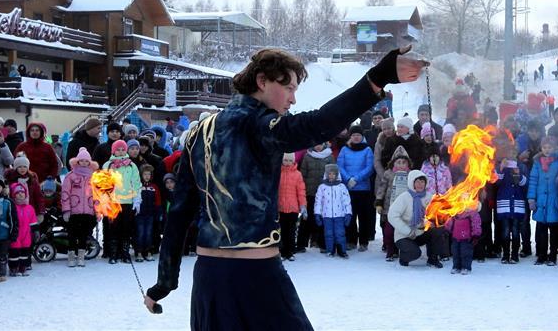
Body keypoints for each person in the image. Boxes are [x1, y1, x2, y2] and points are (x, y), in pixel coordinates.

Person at [146, 46, 425, 327]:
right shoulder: (261, 126)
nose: (293, 99)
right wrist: (377, 78)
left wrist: (164, 283)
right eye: (288, 88)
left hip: (209, 276)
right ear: (262, 81)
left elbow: (179, 214)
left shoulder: (198, 132)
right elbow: (319, 123)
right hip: (257, 275)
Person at [389, 170, 446, 268]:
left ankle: (433, 259)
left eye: (422, 181)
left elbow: (432, 214)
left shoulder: (429, 197)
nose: (420, 184)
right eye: (417, 181)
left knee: (438, 230)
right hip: (404, 235)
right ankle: (404, 257)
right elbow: (392, 215)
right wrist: (407, 231)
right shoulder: (404, 197)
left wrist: (430, 221)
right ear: (412, 183)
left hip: (420, 232)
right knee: (415, 253)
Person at [528, 136, 558, 266]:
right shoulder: (537, 163)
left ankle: (553, 255)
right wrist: (531, 198)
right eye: (545, 147)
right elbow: (533, 181)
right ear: (541, 148)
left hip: (554, 201)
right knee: (541, 231)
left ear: (554, 148)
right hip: (541, 201)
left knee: (554, 231)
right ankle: (541, 255)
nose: (547, 150)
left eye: (550, 147)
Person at [337, 125, 375, 252]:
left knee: (363, 216)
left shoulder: (367, 150)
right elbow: (340, 166)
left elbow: (369, 167)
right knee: (350, 215)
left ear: (362, 136)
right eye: (354, 135)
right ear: (350, 137)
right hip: (348, 188)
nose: (356, 137)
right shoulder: (344, 149)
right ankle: (351, 240)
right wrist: (348, 179)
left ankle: (363, 241)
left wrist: (356, 179)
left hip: (363, 188)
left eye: (358, 135)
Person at [103, 140, 141, 264]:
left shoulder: (131, 165)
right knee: (113, 228)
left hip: (127, 201)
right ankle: (113, 253)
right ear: (113, 151)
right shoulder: (108, 165)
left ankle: (125, 252)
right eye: (118, 149)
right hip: (113, 201)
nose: (120, 152)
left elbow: (136, 183)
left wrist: (137, 200)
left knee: (126, 228)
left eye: (123, 149)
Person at [61, 147, 97, 268]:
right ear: (77, 161)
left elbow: (97, 195)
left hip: (88, 211)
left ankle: (81, 255)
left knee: (83, 234)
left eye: (86, 161)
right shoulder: (70, 176)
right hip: (74, 212)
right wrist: (66, 210)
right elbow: (65, 193)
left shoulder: (93, 177)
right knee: (72, 234)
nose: (84, 163)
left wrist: (98, 211)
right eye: (82, 160)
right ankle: (71, 255)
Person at [376, 146, 412, 261]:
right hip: (389, 207)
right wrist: (379, 203)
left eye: (403, 162)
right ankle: (391, 250)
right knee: (389, 231)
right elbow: (382, 188)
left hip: (405, 209)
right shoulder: (388, 174)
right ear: (393, 163)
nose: (401, 165)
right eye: (398, 162)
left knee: (402, 230)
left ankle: (403, 249)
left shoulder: (411, 174)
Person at [298, 143, 333, 253]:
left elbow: (333, 174)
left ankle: (322, 243)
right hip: (310, 192)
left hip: (324, 193)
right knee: (306, 219)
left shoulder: (329, 156)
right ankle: (301, 244)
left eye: (320, 144)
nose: (318, 146)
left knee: (323, 218)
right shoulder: (308, 156)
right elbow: (303, 174)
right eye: (316, 144)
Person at [314, 164, 351, 258]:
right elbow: (318, 201)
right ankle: (330, 250)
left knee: (340, 233)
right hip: (327, 215)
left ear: (337, 175)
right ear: (326, 175)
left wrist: (348, 213)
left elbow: (346, 201)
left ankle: (342, 250)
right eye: (329, 174)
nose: (331, 176)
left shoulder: (341, 187)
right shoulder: (322, 187)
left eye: (333, 174)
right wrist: (317, 213)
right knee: (328, 233)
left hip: (339, 215)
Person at [495, 159, 527, 264]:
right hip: (505, 204)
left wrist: (519, 174)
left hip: (517, 204)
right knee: (505, 231)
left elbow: (525, 184)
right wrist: (501, 169)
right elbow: (496, 182)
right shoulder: (502, 167)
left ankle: (514, 255)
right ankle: (505, 255)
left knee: (516, 231)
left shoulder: (521, 167)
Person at [277, 153, 306, 261]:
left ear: (293, 161)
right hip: (280, 207)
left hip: (293, 208)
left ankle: (290, 252)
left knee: (291, 231)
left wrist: (303, 205)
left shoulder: (297, 174)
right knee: (282, 230)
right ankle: (282, 251)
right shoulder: (278, 173)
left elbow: (301, 191)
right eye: (285, 160)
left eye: (290, 161)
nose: (288, 163)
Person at [444, 196, 482, 274]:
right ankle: (456, 266)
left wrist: (476, 235)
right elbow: (450, 222)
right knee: (455, 252)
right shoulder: (455, 213)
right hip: (455, 237)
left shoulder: (473, 214)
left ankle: (466, 267)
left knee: (466, 253)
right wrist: (447, 230)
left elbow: (476, 224)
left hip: (467, 238)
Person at [7, 181, 36, 276]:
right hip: (16, 233)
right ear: (13, 195)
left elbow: (33, 221)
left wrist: (35, 231)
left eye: (22, 192)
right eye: (17, 193)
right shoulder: (12, 207)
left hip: (26, 234)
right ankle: (13, 267)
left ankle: (23, 267)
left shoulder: (30, 208)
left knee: (25, 252)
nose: (20, 194)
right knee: (14, 251)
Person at [135, 164, 161, 262]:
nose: (146, 176)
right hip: (139, 214)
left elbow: (158, 201)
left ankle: (148, 251)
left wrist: (158, 212)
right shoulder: (138, 186)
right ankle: (139, 252)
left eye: (148, 174)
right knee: (140, 233)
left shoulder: (154, 187)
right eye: (145, 174)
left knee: (149, 233)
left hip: (150, 214)